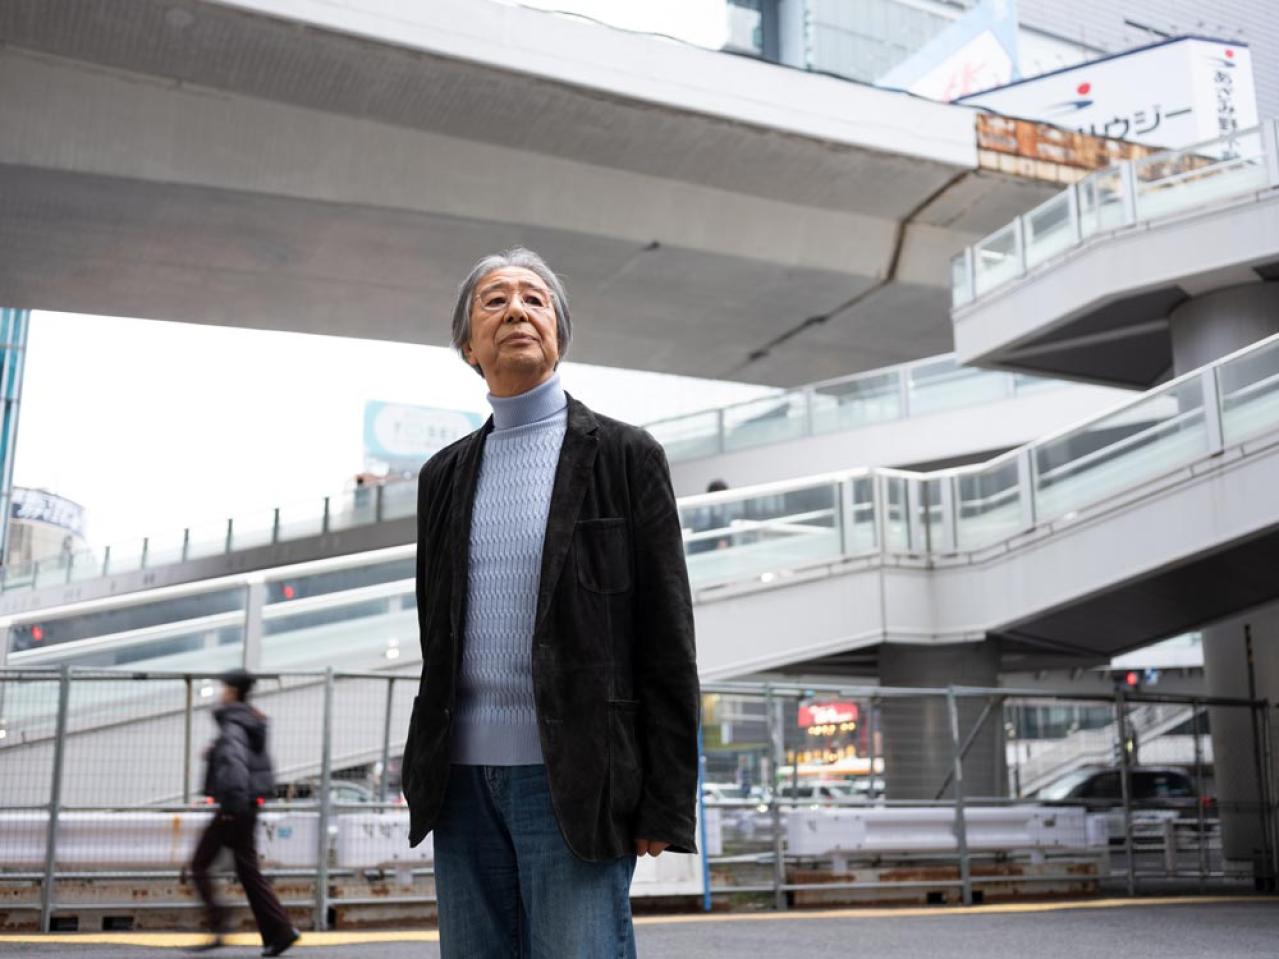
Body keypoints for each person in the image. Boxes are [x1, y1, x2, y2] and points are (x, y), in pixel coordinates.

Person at [401, 248, 700, 957]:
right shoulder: (441, 476)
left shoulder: (625, 456)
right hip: (460, 784)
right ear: (468, 346)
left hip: (576, 774)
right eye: (493, 300)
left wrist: (665, 799)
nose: (515, 310)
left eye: (534, 299)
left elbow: (666, 639)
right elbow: (435, 636)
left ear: (559, 334)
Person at [190, 669, 299, 956]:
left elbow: (235, 767)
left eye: (223, 687)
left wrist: (230, 808)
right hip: (246, 804)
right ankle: (280, 931)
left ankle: (220, 925)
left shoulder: (233, 723)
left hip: (236, 804)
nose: (220, 692)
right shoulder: (248, 718)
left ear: (233, 691)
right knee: (247, 869)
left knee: (200, 863)